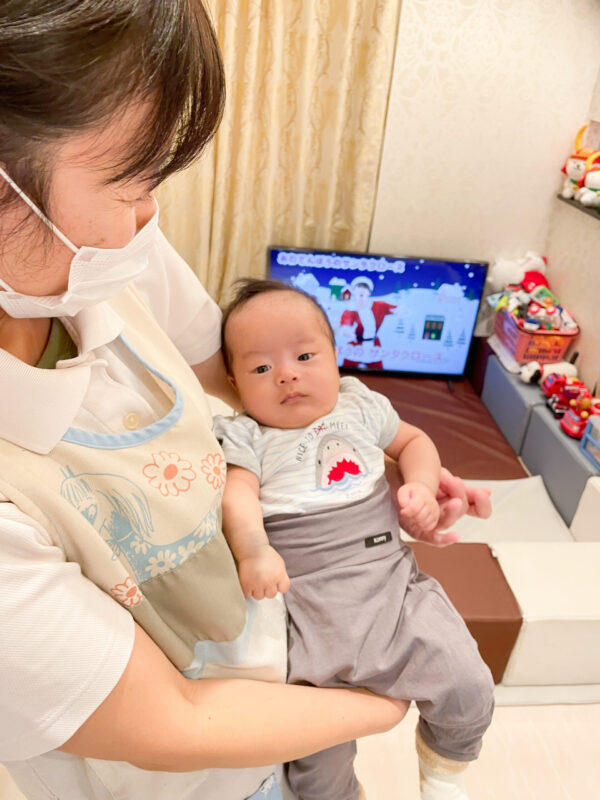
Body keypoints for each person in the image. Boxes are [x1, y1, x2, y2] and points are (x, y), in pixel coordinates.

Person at [0, 4, 490, 799]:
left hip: (286, 651)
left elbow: (240, 378)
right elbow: (173, 724)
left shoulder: (106, 254)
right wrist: (385, 699)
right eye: (131, 179)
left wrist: (373, 469)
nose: (150, 212)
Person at [215, 279, 495, 800]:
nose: (287, 374)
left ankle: (442, 775)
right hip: (309, 609)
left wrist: (421, 486)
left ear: (336, 356)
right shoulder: (247, 434)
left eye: (304, 355)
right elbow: (237, 496)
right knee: (314, 760)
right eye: (260, 368)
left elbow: (415, 440)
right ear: (233, 384)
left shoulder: (358, 405)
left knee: (467, 682)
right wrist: (253, 549)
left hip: (392, 588)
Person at [339, 276, 398, 370]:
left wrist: (400, 311)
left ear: (369, 292)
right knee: (346, 373)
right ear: (354, 291)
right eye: (359, 287)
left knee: (379, 374)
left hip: (373, 346)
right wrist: (347, 331)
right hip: (355, 346)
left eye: (365, 288)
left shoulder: (379, 306)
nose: (362, 290)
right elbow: (346, 323)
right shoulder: (350, 310)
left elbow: (395, 309)